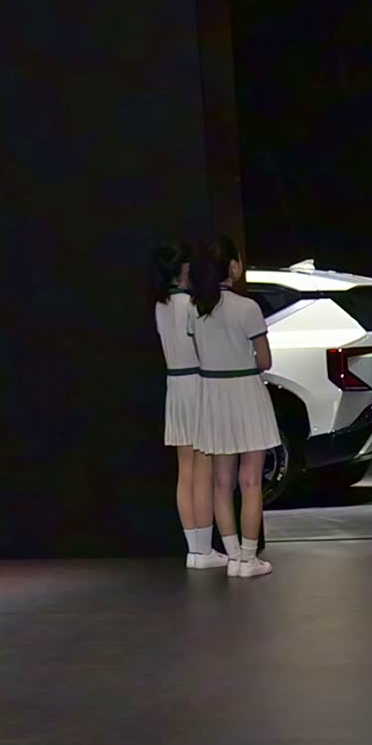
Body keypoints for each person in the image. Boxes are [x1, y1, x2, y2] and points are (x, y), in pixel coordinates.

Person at [189, 238, 280, 578]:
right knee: (251, 481)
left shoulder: (195, 310)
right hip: (246, 393)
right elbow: (265, 360)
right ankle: (248, 559)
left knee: (221, 482)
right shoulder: (247, 308)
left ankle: (233, 556)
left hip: (213, 395)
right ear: (232, 267)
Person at [150, 243, 222, 569]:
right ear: (182, 268)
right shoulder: (191, 306)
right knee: (203, 470)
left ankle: (195, 550)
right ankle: (203, 550)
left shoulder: (161, 306)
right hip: (196, 384)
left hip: (176, 387)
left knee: (186, 471)